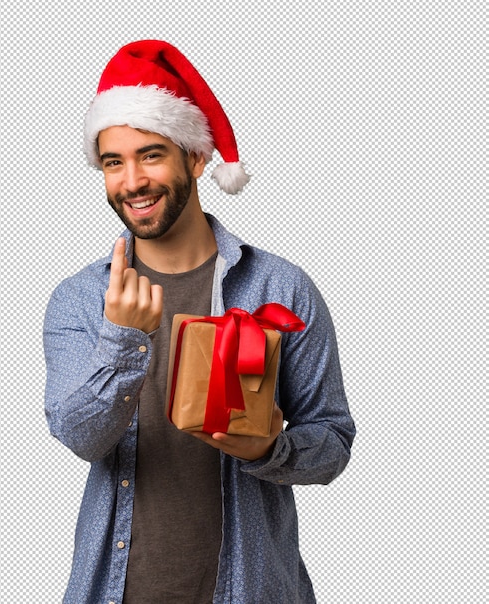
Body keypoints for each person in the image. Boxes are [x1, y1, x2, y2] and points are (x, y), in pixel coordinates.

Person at [43, 39, 355, 604]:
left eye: (152, 154)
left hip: (253, 588)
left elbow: (332, 441)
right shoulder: (81, 298)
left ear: (196, 157)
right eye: (114, 162)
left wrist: (269, 450)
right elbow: (79, 436)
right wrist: (122, 338)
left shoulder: (280, 288)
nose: (132, 180)